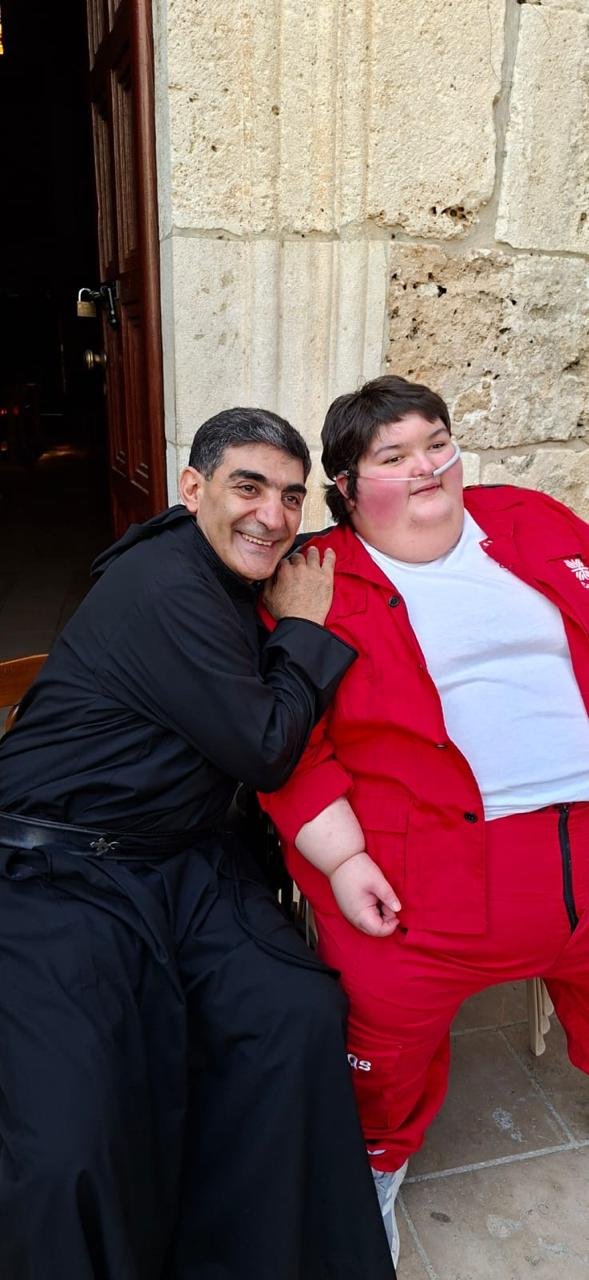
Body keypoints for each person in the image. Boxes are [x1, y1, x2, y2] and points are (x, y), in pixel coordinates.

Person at [0, 407, 395, 1280]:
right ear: (192, 488)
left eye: (290, 496)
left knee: (293, 1013)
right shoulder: (163, 585)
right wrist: (304, 628)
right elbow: (265, 748)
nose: (272, 516)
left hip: (183, 858)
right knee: (67, 1142)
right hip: (55, 871)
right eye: (248, 487)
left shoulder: (228, 568)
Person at [259, 374, 589, 1268]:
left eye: (436, 443)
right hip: (423, 875)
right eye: (393, 456)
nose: (426, 467)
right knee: (383, 1048)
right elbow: (284, 736)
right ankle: (372, 1169)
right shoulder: (315, 576)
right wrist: (341, 857)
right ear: (344, 487)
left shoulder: (527, 518)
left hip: (581, 846)